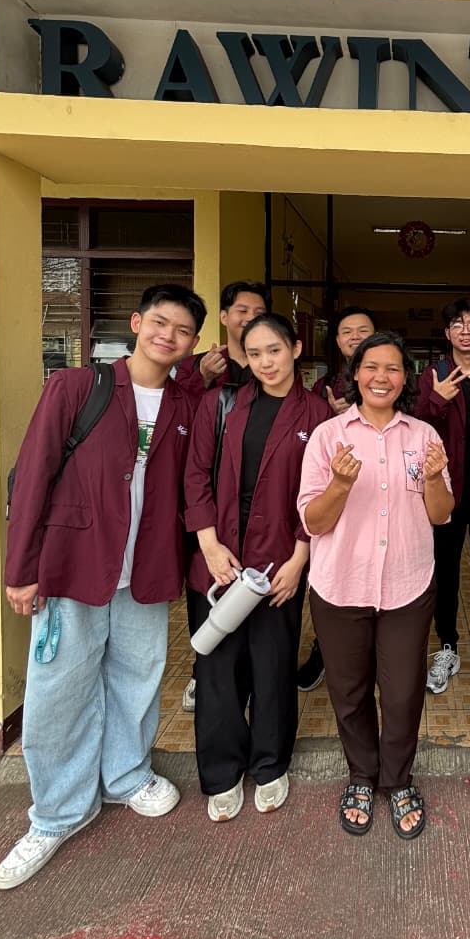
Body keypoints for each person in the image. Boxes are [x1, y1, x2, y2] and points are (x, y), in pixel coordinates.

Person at [0, 283, 208, 890]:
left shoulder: (185, 405)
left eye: (182, 331)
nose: (168, 336)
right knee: (59, 688)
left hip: (146, 567)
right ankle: (56, 812)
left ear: (193, 342)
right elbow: (32, 478)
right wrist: (21, 569)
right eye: (160, 323)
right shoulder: (76, 387)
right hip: (74, 563)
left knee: (138, 676)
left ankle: (125, 775)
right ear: (137, 323)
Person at [298, 332, 454, 839]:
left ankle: (398, 779)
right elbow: (314, 522)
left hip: (408, 585)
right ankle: (362, 776)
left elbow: (441, 515)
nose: (381, 377)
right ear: (355, 374)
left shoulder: (424, 436)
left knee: (404, 692)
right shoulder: (328, 436)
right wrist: (341, 484)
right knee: (349, 691)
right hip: (340, 585)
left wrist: (435, 479)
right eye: (371, 367)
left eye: (392, 368)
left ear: (406, 378)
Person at [184, 314, 332, 821]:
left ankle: (270, 764)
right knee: (218, 669)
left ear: (295, 349)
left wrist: (299, 558)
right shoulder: (219, 404)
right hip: (219, 558)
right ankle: (222, 772)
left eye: (275, 350)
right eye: (254, 353)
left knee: (273, 666)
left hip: (280, 561)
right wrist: (208, 543)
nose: (266, 362)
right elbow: (195, 476)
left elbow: (320, 495)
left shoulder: (317, 415)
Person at [176, 280, 271, 713]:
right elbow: (180, 421)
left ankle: (250, 677)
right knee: (209, 589)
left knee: (256, 598)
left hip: (258, 507)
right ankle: (204, 672)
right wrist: (202, 379)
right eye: (241, 310)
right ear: (224, 317)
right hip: (208, 502)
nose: (249, 318)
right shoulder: (200, 367)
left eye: (258, 312)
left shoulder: (270, 370)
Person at [415, 298, 470, 697]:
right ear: (447, 333)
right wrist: (437, 399)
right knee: (444, 570)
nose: (465, 330)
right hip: (445, 491)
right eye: (457, 324)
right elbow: (417, 429)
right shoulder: (432, 375)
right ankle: (447, 646)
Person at [299, 306, 377, 692]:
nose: (355, 336)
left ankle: (377, 653)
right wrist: (331, 417)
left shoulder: (389, 378)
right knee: (333, 577)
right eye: (347, 331)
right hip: (334, 495)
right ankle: (324, 649)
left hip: (378, 496)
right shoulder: (323, 385)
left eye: (363, 330)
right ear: (337, 339)